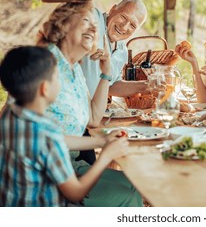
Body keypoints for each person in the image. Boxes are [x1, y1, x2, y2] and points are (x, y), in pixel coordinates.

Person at [37, 1, 143, 206]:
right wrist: (104, 154)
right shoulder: (46, 65)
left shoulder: (75, 70)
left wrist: (106, 72)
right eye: (85, 24)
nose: (93, 32)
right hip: (45, 177)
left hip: (70, 163)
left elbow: (94, 119)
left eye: (95, 28)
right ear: (65, 28)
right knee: (127, 197)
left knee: (133, 184)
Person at [0, 46, 130, 206]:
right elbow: (76, 193)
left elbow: (59, 140)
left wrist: (102, 141)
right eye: (57, 77)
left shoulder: (11, 113)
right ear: (44, 88)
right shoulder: (46, 132)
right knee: (127, 194)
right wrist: (106, 157)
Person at [74, 0, 149, 99]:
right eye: (123, 17)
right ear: (113, 9)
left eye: (132, 25)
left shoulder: (122, 50)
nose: (124, 27)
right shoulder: (95, 20)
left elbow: (111, 85)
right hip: (71, 105)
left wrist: (146, 85)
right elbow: (81, 10)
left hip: (92, 112)